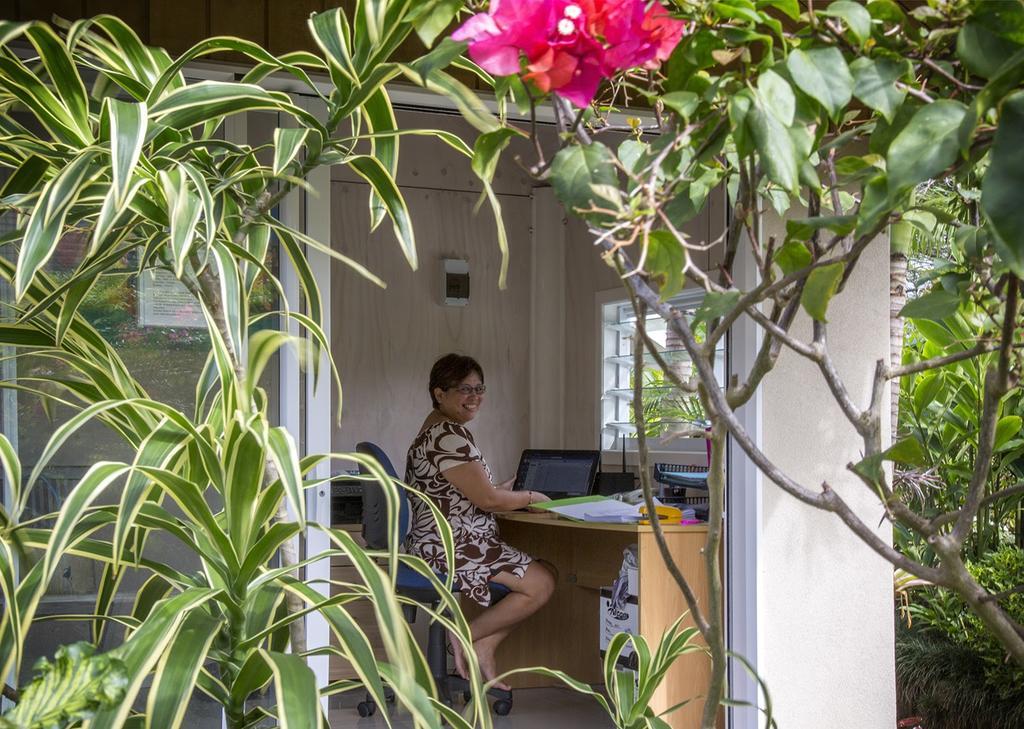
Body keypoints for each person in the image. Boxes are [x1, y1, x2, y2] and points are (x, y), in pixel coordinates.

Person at [405, 353, 555, 689]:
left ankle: (484, 645)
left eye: (479, 388)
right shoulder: (448, 436)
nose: (474, 397)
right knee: (541, 582)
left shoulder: (436, 430)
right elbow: (486, 500)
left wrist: (504, 491)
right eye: (464, 389)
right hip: (451, 546)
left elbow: (466, 492)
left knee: (545, 571)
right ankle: (466, 635)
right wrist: (530, 497)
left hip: (439, 540)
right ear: (439, 393)